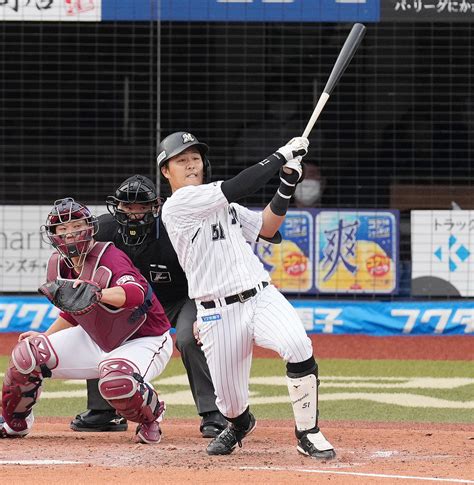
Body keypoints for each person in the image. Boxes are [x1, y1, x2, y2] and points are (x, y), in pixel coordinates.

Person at [158, 131, 336, 459]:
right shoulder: (177, 207)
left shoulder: (223, 206)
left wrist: (286, 184)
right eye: (181, 161)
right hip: (216, 311)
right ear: (166, 171)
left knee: (297, 344)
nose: (191, 165)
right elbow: (238, 186)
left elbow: (267, 229)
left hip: (259, 294)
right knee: (229, 402)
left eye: (195, 158)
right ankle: (240, 423)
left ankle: (307, 432)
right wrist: (282, 155)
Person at [0, 197, 173, 444]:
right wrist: (45, 336)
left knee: (117, 380)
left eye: (76, 225)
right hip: (97, 338)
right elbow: (73, 312)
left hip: (143, 338)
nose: (70, 233)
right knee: (28, 354)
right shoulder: (60, 266)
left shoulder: (109, 256)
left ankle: (152, 416)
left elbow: (136, 294)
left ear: (90, 228)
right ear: (53, 234)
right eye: (63, 228)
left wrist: (99, 293)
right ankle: (15, 423)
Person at [70, 176, 227, 438]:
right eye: (127, 207)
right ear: (116, 207)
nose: (133, 214)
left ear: (155, 206)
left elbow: (204, 269)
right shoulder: (104, 230)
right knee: (98, 324)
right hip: (132, 303)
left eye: (140, 207)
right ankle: (103, 411)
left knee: (189, 339)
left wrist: (206, 309)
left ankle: (213, 413)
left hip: (181, 298)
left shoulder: (174, 230)